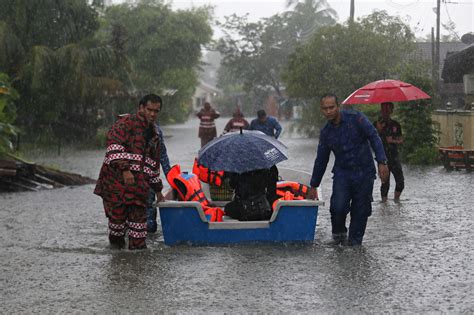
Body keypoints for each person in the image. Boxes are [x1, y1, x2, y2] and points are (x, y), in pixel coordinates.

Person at [307, 93, 389, 246]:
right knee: (338, 206)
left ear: (338, 106)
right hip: (342, 173)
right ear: (321, 110)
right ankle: (339, 236)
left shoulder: (356, 118)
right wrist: (313, 185)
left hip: (364, 171)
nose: (329, 111)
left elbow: (374, 136)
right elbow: (321, 160)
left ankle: (355, 245)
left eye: (331, 107)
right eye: (325, 108)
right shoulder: (326, 132)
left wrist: (382, 161)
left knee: (361, 209)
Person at [94, 94, 164, 250]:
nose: (152, 114)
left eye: (156, 111)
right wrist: (125, 169)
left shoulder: (155, 136)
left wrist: (158, 190)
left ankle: (137, 267)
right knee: (117, 230)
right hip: (115, 187)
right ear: (140, 108)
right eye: (149, 109)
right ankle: (117, 262)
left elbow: (153, 167)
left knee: (139, 234)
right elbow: (113, 146)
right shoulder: (125, 124)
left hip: (139, 189)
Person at [374, 102, 404, 202]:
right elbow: (371, 139)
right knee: (385, 183)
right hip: (383, 157)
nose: (385, 112)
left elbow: (401, 140)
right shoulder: (377, 124)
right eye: (383, 109)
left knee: (400, 182)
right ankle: (384, 204)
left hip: (394, 156)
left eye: (388, 109)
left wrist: (393, 141)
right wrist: (378, 130)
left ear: (391, 110)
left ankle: (397, 200)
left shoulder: (396, 125)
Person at [146, 122, 172, 233]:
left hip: (150, 180)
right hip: (130, 182)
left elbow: (162, 156)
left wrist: (173, 180)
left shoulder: (156, 131)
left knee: (150, 223)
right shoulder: (129, 129)